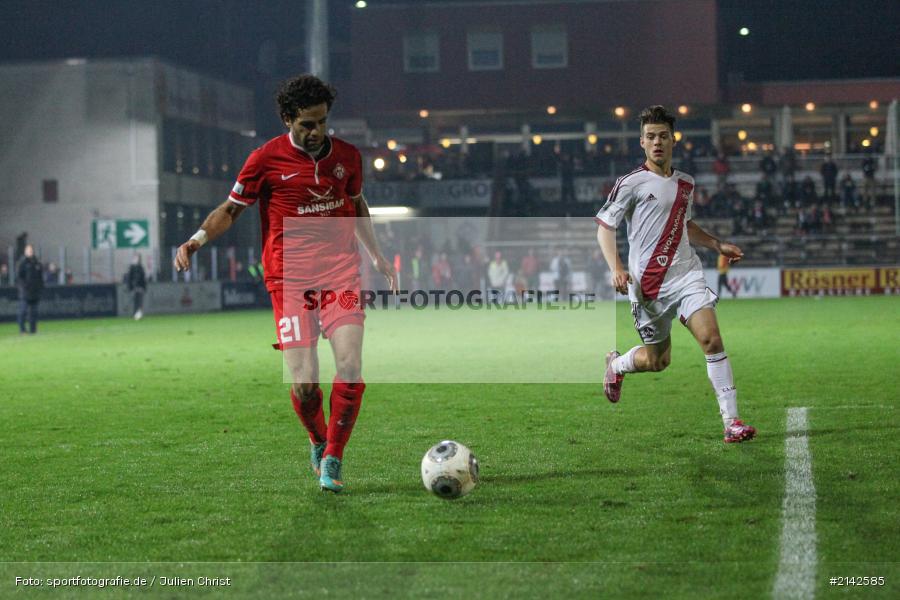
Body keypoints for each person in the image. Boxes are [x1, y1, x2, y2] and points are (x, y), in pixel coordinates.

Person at [174, 74, 396, 493]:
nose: (317, 131)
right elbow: (231, 209)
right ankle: (316, 439)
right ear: (287, 120)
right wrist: (197, 239)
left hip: (340, 273)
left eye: (323, 122)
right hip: (289, 279)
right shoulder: (264, 159)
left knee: (350, 366)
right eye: (307, 124)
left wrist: (376, 255)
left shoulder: (347, 157)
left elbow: (356, 204)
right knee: (305, 384)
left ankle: (333, 457)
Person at [595, 106, 756, 443]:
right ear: (642, 142)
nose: (657, 142)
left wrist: (716, 244)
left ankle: (732, 422)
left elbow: (685, 225)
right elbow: (605, 228)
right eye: (651, 137)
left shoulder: (686, 183)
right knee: (658, 361)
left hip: (686, 276)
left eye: (663, 136)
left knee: (711, 339)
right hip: (648, 289)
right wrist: (617, 268)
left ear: (673, 140)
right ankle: (617, 365)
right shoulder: (630, 183)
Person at [16, 244, 44, 334]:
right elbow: (19, 277)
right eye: (28, 250)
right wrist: (24, 287)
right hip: (25, 291)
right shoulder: (22, 263)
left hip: (35, 291)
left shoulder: (37, 262)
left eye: (31, 250)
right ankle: (22, 330)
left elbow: (40, 277)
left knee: (34, 312)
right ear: (25, 252)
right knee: (23, 311)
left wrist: (40, 287)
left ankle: (33, 330)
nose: (30, 252)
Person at [125, 254, 147, 320]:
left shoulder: (141, 268)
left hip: (140, 288)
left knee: (140, 302)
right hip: (134, 288)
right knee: (135, 302)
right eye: (136, 258)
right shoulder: (132, 268)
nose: (137, 259)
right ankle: (135, 314)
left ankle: (139, 314)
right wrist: (130, 287)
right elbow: (129, 278)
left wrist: (144, 287)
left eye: (138, 258)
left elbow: (143, 278)